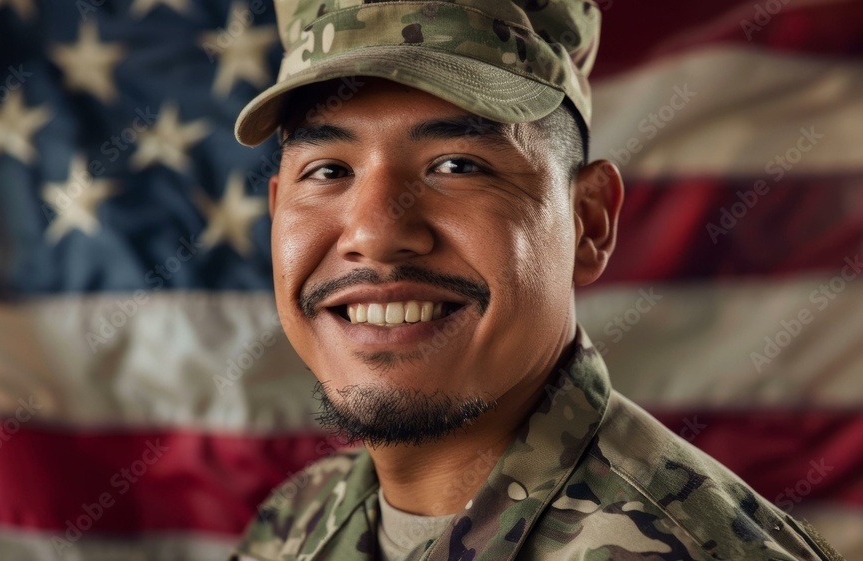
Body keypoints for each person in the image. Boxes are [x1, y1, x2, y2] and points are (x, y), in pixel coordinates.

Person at [228, 1, 844, 559]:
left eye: (458, 165)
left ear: (588, 221)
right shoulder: (296, 522)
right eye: (329, 169)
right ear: (278, 206)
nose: (375, 233)